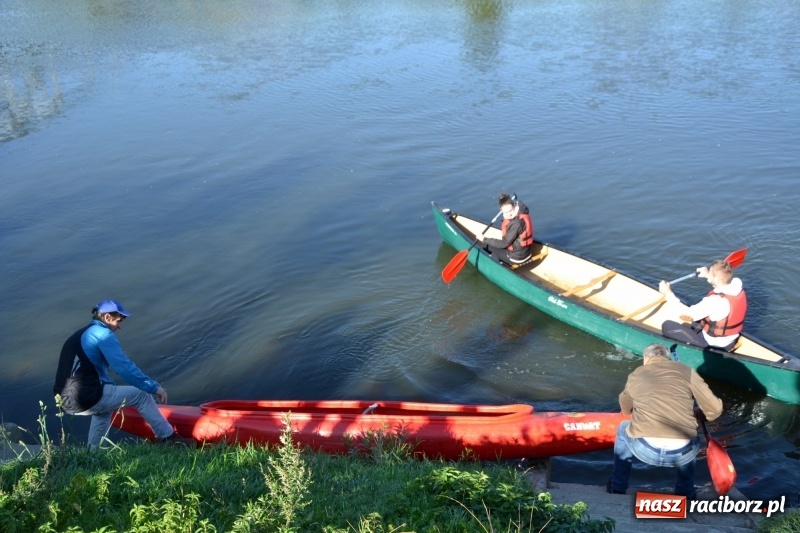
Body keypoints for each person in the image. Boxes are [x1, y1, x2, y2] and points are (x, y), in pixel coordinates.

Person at [54, 299, 195, 448]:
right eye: (118, 321)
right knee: (141, 395)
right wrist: (153, 388)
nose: (120, 326)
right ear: (107, 318)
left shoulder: (81, 334)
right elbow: (124, 368)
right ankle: (169, 439)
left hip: (64, 399)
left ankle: (92, 454)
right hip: (85, 397)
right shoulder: (103, 335)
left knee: (103, 411)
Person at [607, 343, 723, 498]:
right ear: (667, 357)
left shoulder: (637, 373)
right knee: (693, 438)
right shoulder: (688, 371)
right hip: (682, 454)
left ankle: (618, 487)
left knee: (623, 428)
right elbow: (715, 409)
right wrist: (701, 415)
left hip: (646, 450)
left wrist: (631, 410)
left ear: (645, 358)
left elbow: (626, 406)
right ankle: (686, 493)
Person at [658, 259, 747, 351]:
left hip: (713, 344)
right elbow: (720, 281)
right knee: (696, 321)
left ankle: (682, 352)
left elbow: (688, 313)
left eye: (710, 272)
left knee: (667, 325)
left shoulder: (716, 301)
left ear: (716, 279)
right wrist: (708, 275)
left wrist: (668, 293)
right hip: (730, 340)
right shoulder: (737, 287)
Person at [476, 193, 534, 265]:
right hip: (527, 252)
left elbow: (504, 243)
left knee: (485, 245)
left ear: (514, 206)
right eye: (505, 212)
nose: (509, 214)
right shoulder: (521, 212)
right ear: (501, 211)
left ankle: (499, 265)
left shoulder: (516, 223)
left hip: (517, 258)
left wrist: (484, 239)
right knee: (493, 242)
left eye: (510, 211)